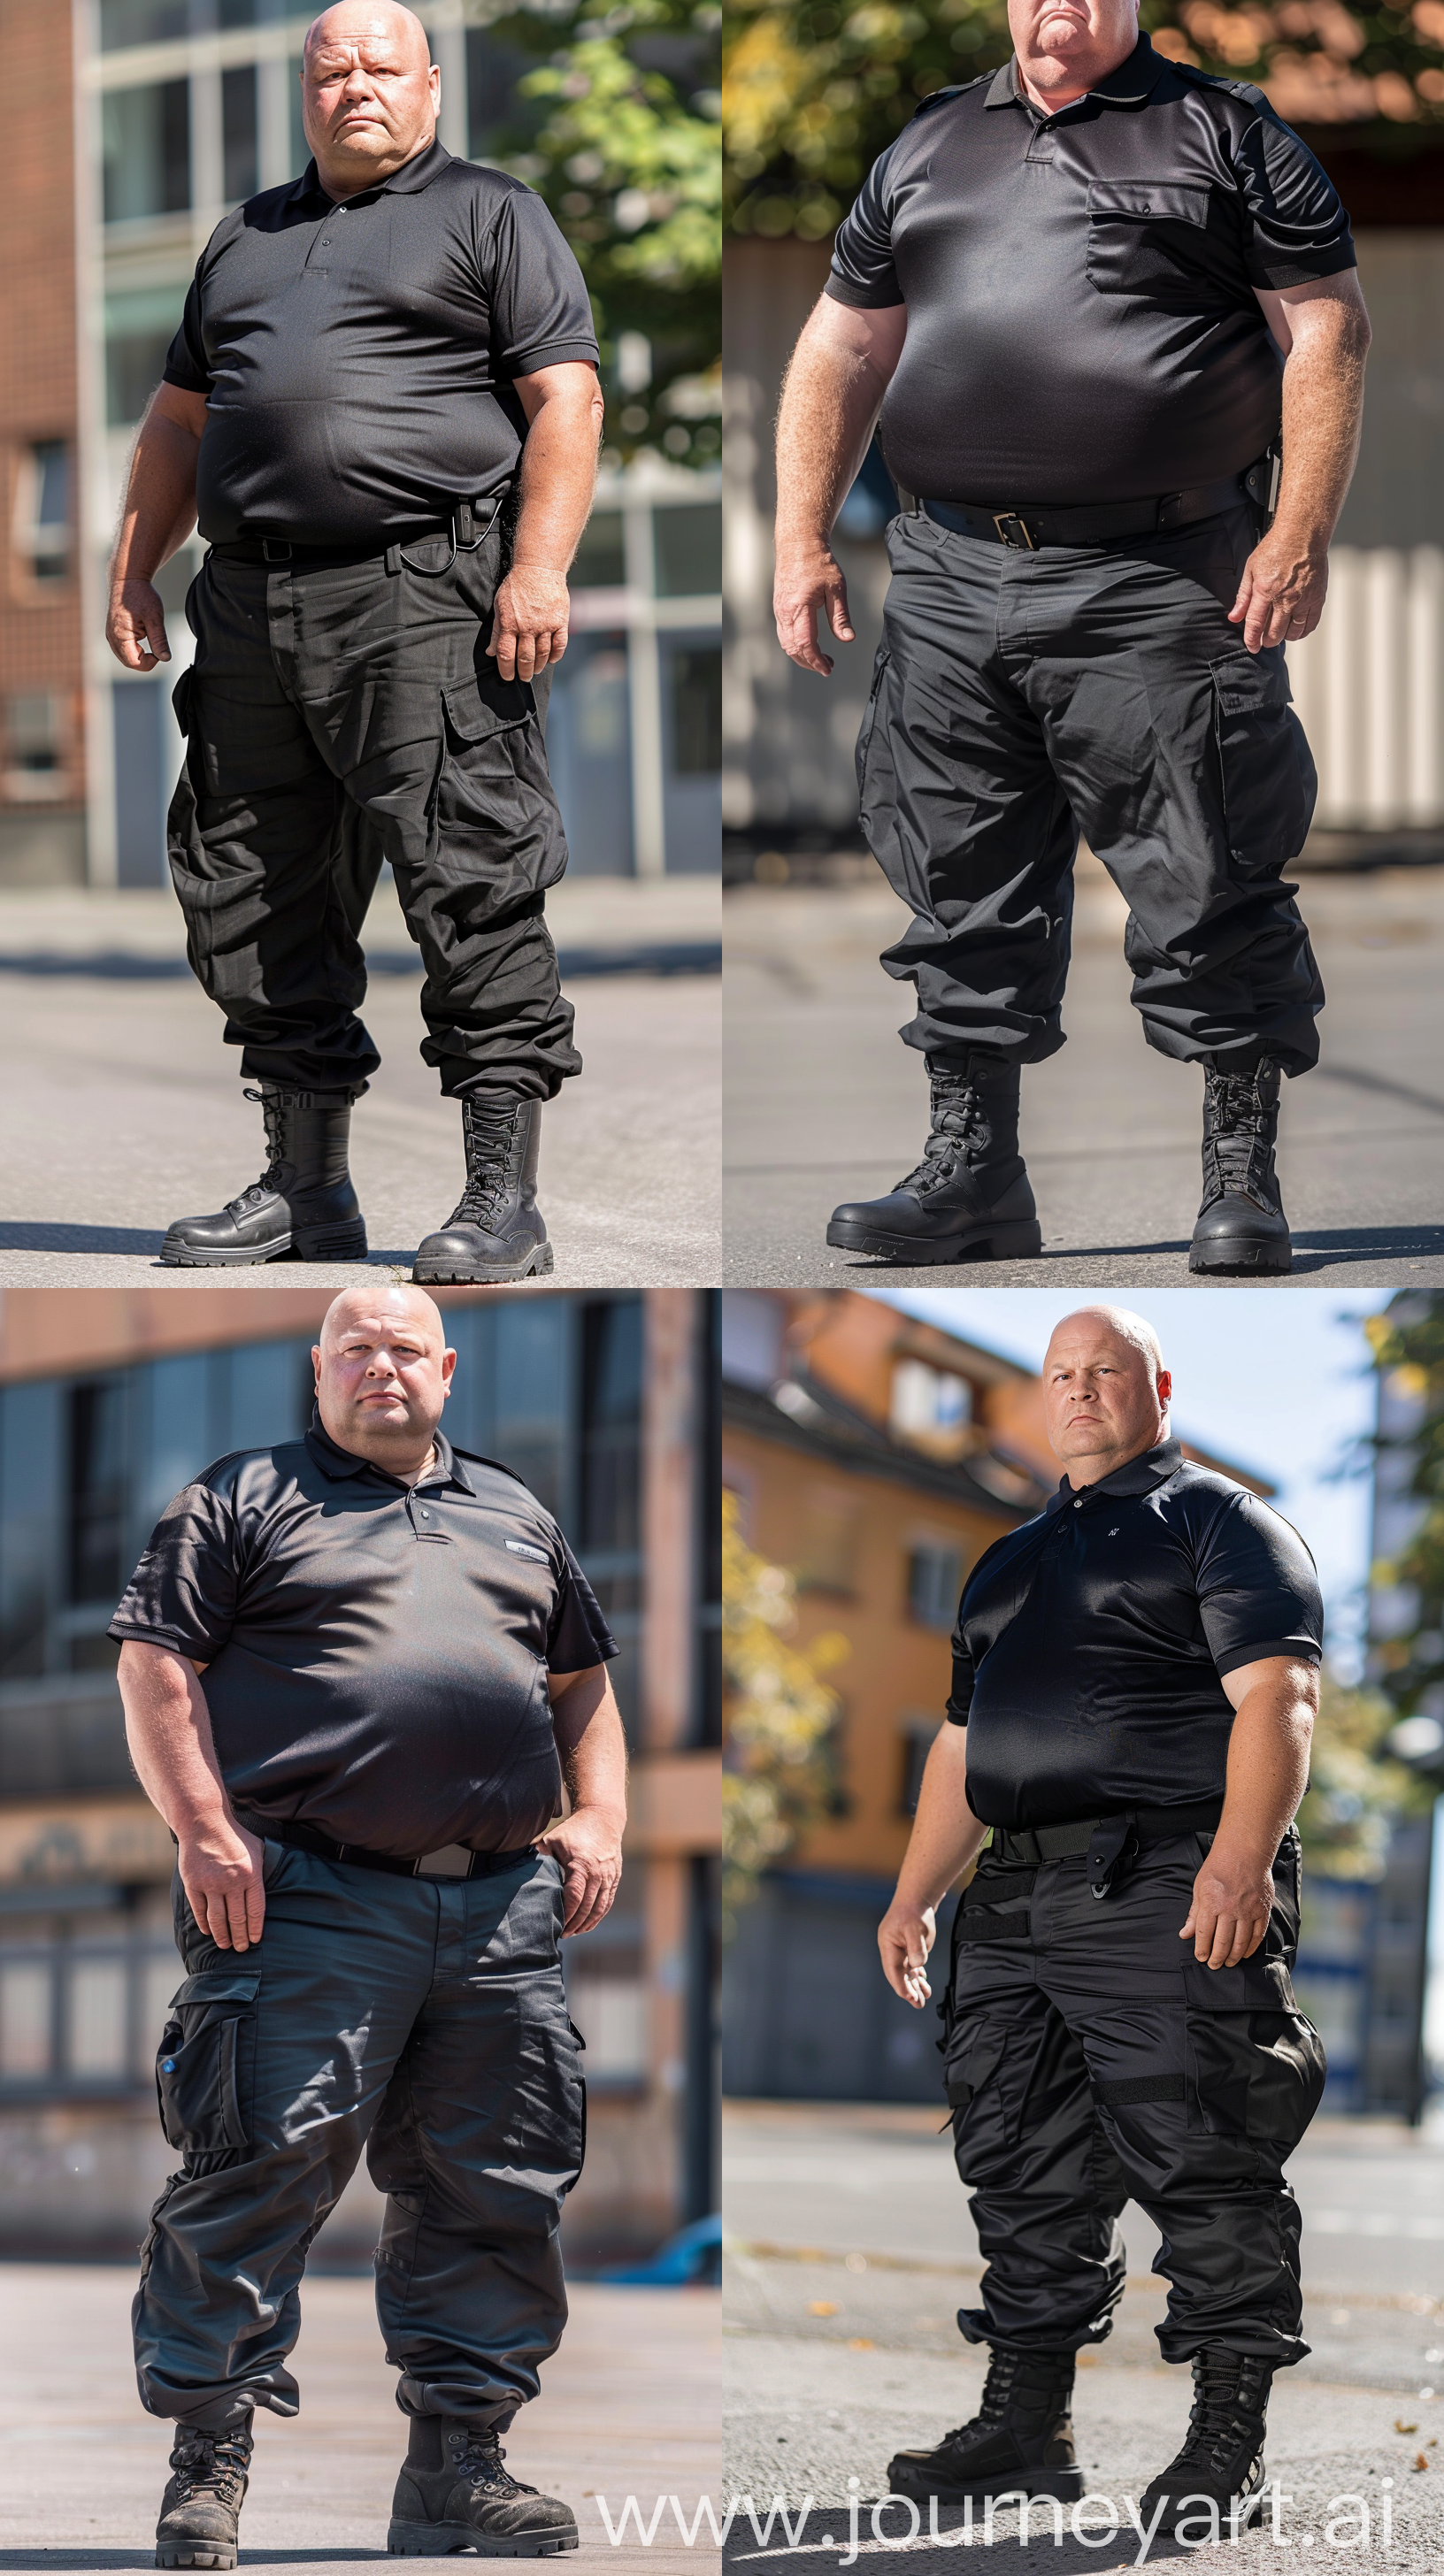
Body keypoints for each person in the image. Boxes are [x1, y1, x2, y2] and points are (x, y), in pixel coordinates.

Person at [773, 0, 1371, 1276]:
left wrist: (1301, 530)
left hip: (1159, 575)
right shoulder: (929, 144)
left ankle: (1240, 1180)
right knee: (957, 880)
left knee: (1209, 876)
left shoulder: (1223, 132)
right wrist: (800, 535)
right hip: (947, 574)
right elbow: (843, 345)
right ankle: (972, 1178)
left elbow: (1324, 330)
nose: (1062, 4)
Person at [111, 1283, 626, 2566]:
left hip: (503, 1906)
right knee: (257, 2168)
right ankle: (207, 2466)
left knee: (495, 2187)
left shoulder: (514, 1510)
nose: (379, 1367)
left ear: (446, 1369)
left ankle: (459, 2471)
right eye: (355, 1349)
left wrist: (604, 1818)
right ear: (318, 1367)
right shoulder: (240, 1497)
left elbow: (583, 1686)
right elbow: (153, 1665)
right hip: (307, 1895)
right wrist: (203, 1826)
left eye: (404, 1348)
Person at [106, 1, 606, 1286]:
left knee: (471, 881)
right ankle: (305, 1190)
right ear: (305, 90)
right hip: (248, 604)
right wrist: (132, 566)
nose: (356, 88)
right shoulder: (243, 237)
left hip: (423, 594)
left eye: (382, 66)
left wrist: (538, 570)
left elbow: (567, 399)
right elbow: (176, 422)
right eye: (332, 70)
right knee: (253, 890)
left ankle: (503, 1199)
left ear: (431, 85)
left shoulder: (492, 212)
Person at [875, 1305, 1325, 2542]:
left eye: (1106, 1371)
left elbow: (1277, 1696)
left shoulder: (1220, 1520)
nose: (1080, 1391)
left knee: (1204, 2152)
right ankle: (1027, 2430)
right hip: (1013, 1897)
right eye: (1061, 1374)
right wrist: (916, 1893)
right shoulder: (1008, 1557)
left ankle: (1227, 2445)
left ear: (1156, 1387)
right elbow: (961, 1748)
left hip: (1166, 1875)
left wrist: (1238, 1866)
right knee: (1019, 2165)